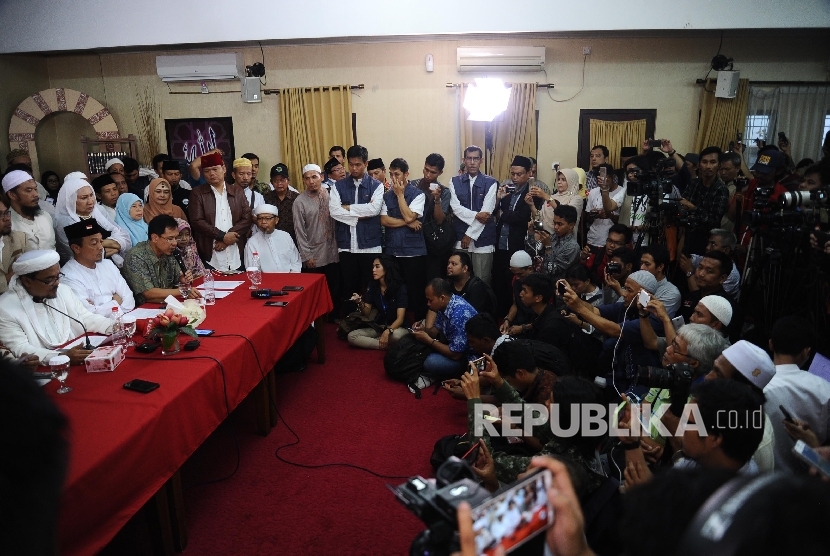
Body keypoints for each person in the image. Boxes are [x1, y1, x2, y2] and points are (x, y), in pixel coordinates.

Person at [0, 250, 114, 364]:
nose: (57, 283)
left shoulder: (64, 290)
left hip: (78, 357)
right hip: (45, 371)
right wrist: (61, 356)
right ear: (27, 281)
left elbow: (85, 317)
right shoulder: (5, 308)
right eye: (49, 280)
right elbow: (20, 348)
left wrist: (114, 326)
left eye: (57, 276)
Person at [562, 269, 662, 389]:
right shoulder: (625, 307)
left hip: (642, 379)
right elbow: (596, 311)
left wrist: (578, 308)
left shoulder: (652, 317)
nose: (623, 294)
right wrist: (575, 299)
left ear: (645, 295)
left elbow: (614, 330)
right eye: (624, 288)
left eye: (629, 290)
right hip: (621, 372)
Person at [764, 316, 830, 473]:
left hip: (761, 481)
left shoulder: (756, 385)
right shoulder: (825, 389)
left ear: (771, 344)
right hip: (810, 481)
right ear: (806, 352)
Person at [328, 145, 384, 309]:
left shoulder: (377, 186)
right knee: (349, 287)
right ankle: (350, 322)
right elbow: (333, 211)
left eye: (358, 164)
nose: (353, 168)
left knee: (371, 287)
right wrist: (360, 213)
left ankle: (373, 321)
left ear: (366, 163)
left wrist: (347, 208)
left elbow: (374, 210)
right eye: (351, 164)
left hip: (370, 246)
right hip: (346, 246)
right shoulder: (338, 186)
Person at [380, 157, 428, 320]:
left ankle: (419, 325)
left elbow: (409, 216)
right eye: (391, 174)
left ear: (406, 174)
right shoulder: (386, 196)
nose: (394, 179)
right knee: (395, 290)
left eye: (397, 174)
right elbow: (384, 220)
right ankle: (397, 324)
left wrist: (400, 195)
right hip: (392, 250)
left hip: (413, 252)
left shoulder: (418, 195)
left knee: (416, 292)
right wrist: (408, 223)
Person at [188, 151, 253, 271]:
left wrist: (227, 239)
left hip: (236, 251)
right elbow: (197, 221)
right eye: (207, 171)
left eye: (215, 169)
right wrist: (222, 236)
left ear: (223, 169)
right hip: (211, 253)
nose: (211, 174)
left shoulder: (237, 191)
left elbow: (247, 218)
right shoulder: (198, 193)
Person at [410, 277, 478, 389]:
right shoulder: (445, 305)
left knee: (430, 362)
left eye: (430, 300)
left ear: (442, 298)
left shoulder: (458, 315)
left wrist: (429, 341)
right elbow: (437, 330)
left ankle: (456, 374)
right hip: (451, 345)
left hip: (467, 358)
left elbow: (456, 354)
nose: (428, 304)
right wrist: (424, 330)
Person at [61, 220, 135, 317]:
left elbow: (130, 301)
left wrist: (101, 309)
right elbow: (87, 315)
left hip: (123, 322)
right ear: (76, 248)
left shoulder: (108, 264)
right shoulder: (68, 276)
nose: (100, 247)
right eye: (94, 243)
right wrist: (115, 303)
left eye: (101, 241)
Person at [122, 215, 201, 305]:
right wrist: (182, 291)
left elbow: (177, 278)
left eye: (176, 238)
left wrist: (182, 279)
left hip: (167, 303)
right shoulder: (136, 256)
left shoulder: (170, 252)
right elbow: (148, 293)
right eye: (170, 239)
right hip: (145, 308)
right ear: (155, 238)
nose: (175, 243)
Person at [293, 164, 340, 316]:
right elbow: (299, 231)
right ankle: (319, 320)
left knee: (335, 286)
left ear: (322, 177)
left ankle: (335, 317)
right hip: (314, 254)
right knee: (317, 290)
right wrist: (307, 255)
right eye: (307, 178)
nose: (311, 181)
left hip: (334, 250)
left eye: (314, 177)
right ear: (303, 181)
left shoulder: (332, 195)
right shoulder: (299, 202)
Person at [493, 155, 538, 314]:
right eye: (513, 174)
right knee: (499, 282)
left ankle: (516, 314)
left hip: (518, 244)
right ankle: (501, 315)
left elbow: (522, 217)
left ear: (528, 174)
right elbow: (494, 213)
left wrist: (503, 212)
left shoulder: (532, 193)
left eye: (519, 174)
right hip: (500, 243)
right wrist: (499, 199)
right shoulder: (507, 190)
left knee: (515, 284)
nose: (515, 178)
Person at [450, 145, 499, 286]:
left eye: (475, 158)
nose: (472, 162)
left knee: (482, 281)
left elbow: (487, 213)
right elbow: (456, 208)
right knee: (459, 280)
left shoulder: (491, 182)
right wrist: (476, 215)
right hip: (460, 239)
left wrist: (470, 234)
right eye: (469, 158)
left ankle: (482, 309)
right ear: (464, 160)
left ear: (481, 160)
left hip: (483, 241)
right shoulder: (454, 181)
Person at [54, 178, 131, 266]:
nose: (90, 201)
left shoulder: (97, 212)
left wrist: (106, 243)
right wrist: (115, 245)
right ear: (71, 200)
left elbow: (124, 235)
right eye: (84, 198)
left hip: (113, 266)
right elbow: (83, 254)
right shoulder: (65, 222)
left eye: (91, 195)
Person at [640, 294, 732, 361]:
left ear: (715, 324)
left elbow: (677, 357)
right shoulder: (691, 336)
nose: (691, 317)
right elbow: (651, 342)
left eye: (699, 314)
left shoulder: (723, 354)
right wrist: (643, 314)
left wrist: (665, 319)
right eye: (694, 312)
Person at [347, 255, 409, 350]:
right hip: (379, 326)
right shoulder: (372, 285)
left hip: (396, 328)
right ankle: (386, 346)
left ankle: (379, 341)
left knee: (396, 336)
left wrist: (388, 331)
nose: (373, 270)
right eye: (373, 267)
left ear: (387, 268)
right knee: (352, 336)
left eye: (377, 266)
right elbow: (367, 313)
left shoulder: (400, 287)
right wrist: (359, 302)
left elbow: (400, 319)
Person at [678, 250, 741, 342]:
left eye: (709, 271)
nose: (701, 274)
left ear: (722, 278)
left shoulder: (729, 309)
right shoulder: (691, 296)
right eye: (700, 267)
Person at [411, 153, 452, 281]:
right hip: (412, 240)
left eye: (433, 172)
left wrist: (437, 199)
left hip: (432, 245)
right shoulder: (412, 185)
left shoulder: (444, 192)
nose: (428, 175)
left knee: (432, 281)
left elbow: (439, 220)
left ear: (440, 172)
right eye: (426, 170)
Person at [678, 228, 741, 298]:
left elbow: (705, 299)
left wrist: (689, 272)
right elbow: (681, 258)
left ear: (726, 250)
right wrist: (684, 234)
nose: (707, 247)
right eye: (708, 243)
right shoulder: (704, 260)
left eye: (713, 244)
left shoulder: (732, 275)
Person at [3, 170, 56, 251]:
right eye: (29, 190)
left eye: (35, 189)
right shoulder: (7, 225)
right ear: (12, 195)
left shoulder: (45, 216)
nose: (36, 194)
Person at [527, 204, 580, 282]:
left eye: (560, 224)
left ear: (571, 225)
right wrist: (531, 233)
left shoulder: (572, 247)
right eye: (554, 223)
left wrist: (548, 247)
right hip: (541, 281)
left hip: (556, 288)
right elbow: (533, 253)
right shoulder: (552, 237)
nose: (555, 227)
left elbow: (551, 271)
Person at [527, 168, 582, 239]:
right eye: (558, 179)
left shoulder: (576, 198)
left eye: (563, 180)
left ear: (571, 181)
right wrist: (532, 205)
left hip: (563, 240)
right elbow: (538, 217)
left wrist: (546, 196)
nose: (559, 182)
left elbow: (566, 215)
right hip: (545, 237)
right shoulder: (552, 197)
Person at [244, 204, 301, 272]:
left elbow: (296, 262)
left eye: (267, 218)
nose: (263, 222)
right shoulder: (252, 242)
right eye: (260, 219)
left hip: (289, 279)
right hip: (266, 281)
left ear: (276, 220)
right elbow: (252, 270)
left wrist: (291, 278)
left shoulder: (285, 236)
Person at [585, 163, 626, 256]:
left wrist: (609, 215)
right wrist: (595, 215)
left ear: (613, 177)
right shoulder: (593, 192)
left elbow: (624, 221)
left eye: (605, 177)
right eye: (599, 178)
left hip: (613, 242)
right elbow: (587, 218)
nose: (602, 180)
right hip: (594, 238)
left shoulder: (622, 192)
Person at [446, 251, 496, 318]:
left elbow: (470, 314)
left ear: (465, 268)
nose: (449, 266)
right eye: (448, 263)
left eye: (453, 264)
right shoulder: (447, 284)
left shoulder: (477, 287)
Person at [580, 223, 632, 288]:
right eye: (610, 241)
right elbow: (582, 276)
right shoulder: (596, 255)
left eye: (617, 243)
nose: (612, 245)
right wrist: (583, 260)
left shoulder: (628, 263)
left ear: (626, 246)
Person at [500, 250, 536, 335]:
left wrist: (522, 328)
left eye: (520, 274)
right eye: (515, 274)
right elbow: (515, 304)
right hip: (519, 322)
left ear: (530, 269)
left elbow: (543, 319)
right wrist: (507, 320)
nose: (517, 277)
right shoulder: (515, 280)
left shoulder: (540, 284)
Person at [639, 244, 681, 316]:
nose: (642, 268)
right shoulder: (637, 281)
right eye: (641, 263)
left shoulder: (671, 293)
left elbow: (655, 321)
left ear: (660, 267)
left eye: (647, 264)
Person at [263, 163, 299, 244]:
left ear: (288, 181)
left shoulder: (297, 198)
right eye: (276, 180)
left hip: (293, 239)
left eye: (282, 180)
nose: (279, 184)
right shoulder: (266, 198)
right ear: (271, 182)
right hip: (272, 239)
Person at [0, 198, 28, 294]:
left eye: (7, 213)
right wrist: (11, 275)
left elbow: (32, 272)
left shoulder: (20, 238)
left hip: (19, 298)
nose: (7, 218)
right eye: (0, 215)